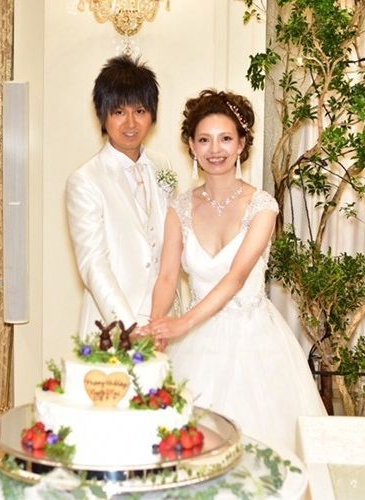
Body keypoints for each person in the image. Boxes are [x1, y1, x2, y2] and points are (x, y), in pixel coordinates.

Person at [142, 89, 326, 452]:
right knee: (187, 445)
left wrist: (182, 323)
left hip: (253, 340)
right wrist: (158, 327)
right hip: (194, 346)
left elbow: (236, 277)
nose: (215, 149)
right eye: (204, 140)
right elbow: (166, 277)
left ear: (241, 144)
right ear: (192, 146)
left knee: (259, 448)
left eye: (225, 138)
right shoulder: (179, 208)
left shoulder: (262, 206)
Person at [66, 55, 174, 339]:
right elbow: (93, 264)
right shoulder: (85, 180)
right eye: (118, 112)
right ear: (103, 116)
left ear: (152, 114)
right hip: (112, 327)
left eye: (140, 111)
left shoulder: (162, 166)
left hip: (164, 321)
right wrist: (129, 328)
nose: (130, 123)